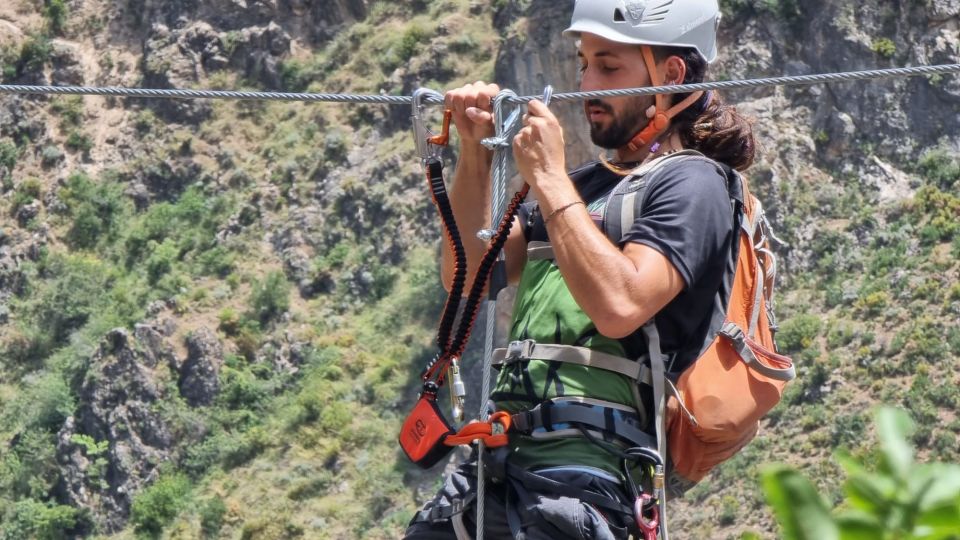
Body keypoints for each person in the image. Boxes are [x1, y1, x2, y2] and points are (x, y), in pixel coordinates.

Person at [404, 0, 757, 538]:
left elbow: (621, 306)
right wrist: (474, 154)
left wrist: (547, 178)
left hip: (589, 470)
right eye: (584, 63)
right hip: (497, 460)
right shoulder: (583, 186)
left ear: (671, 74)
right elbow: (470, 277)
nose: (587, 82)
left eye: (608, 66)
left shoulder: (697, 184)